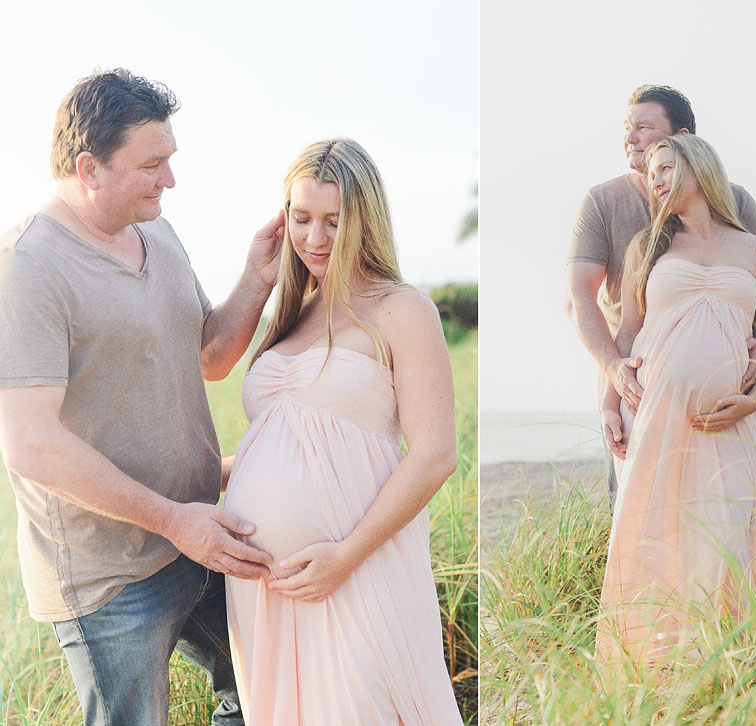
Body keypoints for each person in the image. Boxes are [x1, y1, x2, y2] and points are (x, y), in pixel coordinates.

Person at [0, 69, 282, 726]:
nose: (170, 180)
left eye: (171, 160)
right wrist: (174, 520)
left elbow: (209, 356)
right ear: (88, 168)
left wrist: (257, 279)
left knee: (260, 689)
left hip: (198, 533)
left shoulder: (156, 229)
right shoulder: (27, 267)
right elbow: (29, 442)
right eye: (152, 164)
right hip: (109, 578)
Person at [221, 138, 464, 725]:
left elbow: (435, 456)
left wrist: (345, 557)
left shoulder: (400, 309)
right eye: (301, 219)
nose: (315, 238)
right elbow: (282, 439)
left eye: (335, 221)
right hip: (268, 589)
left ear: (366, 218)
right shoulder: (292, 312)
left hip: (355, 569)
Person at [595, 134, 756, 666]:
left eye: (663, 167)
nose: (653, 178)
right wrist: (610, 404)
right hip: (652, 413)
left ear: (698, 165)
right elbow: (624, 339)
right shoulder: (648, 247)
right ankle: (655, 663)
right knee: (654, 528)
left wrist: (752, 401)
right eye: (650, 172)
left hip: (727, 420)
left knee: (725, 528)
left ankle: (730, 660)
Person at [565, 85, 756, 518]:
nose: (630, 138)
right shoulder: (603, 202)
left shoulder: (738, 202)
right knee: (639, 512)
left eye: (644, 128)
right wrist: (613, 377)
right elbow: (580, 299)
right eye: (627, 128)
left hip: (728, 387)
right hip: (634, 383)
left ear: (685, 138)